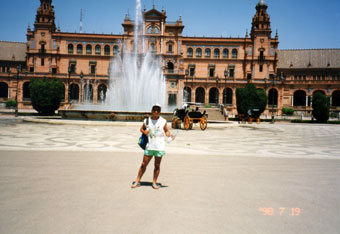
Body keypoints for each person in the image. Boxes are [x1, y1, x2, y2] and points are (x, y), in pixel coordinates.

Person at [131, 104, 174, 189]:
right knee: (143, 164)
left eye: (158, 110)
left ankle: (154, 182)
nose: (156, 112)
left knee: (157, 165)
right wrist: (144, 132)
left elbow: (166, 131)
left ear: (160, 112)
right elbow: (141, 129)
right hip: (149, 146)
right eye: (154, 110)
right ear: (151, 111)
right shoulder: (147, 120)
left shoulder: (163, 121)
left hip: (159, 147)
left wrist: (170, 136)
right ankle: (137, 181)